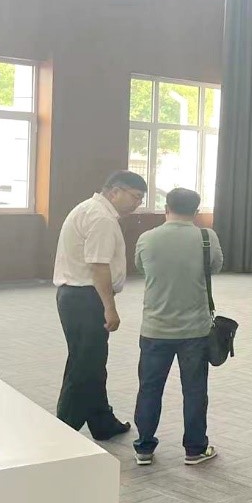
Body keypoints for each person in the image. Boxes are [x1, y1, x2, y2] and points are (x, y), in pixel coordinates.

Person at [52, 170, 147, 440]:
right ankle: (63, 431)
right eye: (135, 197)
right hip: (86, 298)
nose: (137, 203)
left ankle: (102, 421)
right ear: (115, 191)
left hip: (75, 296)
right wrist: (110, 307)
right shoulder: (101, 217)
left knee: (90, 361)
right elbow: (98, 266)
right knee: (85, 366)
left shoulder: (89, 209)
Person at [132, 188, 223, 467]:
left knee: (149, 388)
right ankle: (195, 449)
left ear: (166, 208)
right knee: (195, 390)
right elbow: (215, 267)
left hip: (154, 328)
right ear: (196, 211)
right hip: (195, 330)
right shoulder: (207, 237)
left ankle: (144, 447)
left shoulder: (147, 238)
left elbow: (141, 268)